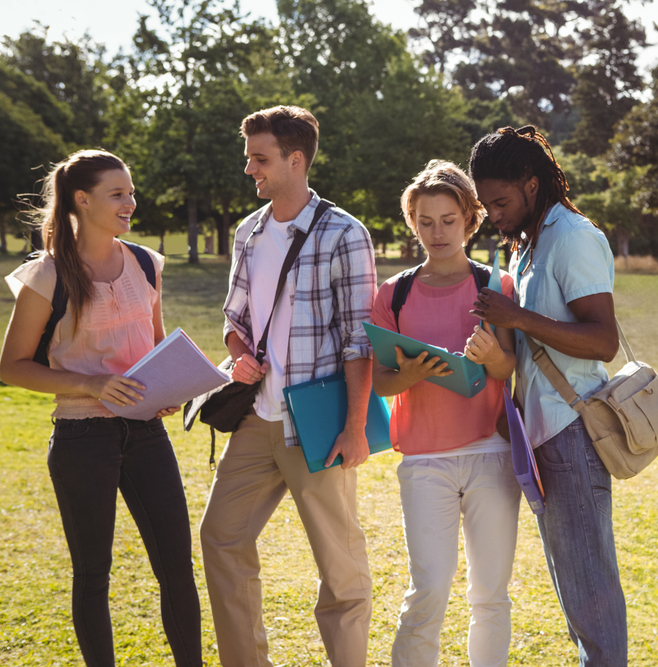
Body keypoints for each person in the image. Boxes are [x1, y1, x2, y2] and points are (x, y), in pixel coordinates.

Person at [0, 150, 202, 666]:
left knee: (177, 566)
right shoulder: (46, 275)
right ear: (82, 200)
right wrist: (92, 384)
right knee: (93, 573)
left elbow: (156, 347)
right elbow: (13, 365)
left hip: (146, 436)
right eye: (118, 194)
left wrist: (168, 386)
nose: (130, 203)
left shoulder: (145, 263)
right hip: (81, 439)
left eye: (131, 192)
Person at [198, 105, 377, 667]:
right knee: (220, 536)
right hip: (256, 417)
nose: (249, 168)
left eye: (260, 158)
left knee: (339, 566)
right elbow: (235, 316)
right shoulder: (247, 232)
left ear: (295, 160)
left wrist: (353, 427)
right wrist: (238, 353)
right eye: (249, 156)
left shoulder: (346, 234)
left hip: (317, 424)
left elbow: (359, 339)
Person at [468, 126, 628, 666]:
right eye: (486, 203)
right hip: (544, 438)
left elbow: (603, 339)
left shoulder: (572, 236)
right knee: (575, 592)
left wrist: (515, 316)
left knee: (590, 592)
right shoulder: (531, 243)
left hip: (574, 435)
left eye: (501, 200)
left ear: (532, 184)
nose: (493, 213)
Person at [370, 160, 521, 666]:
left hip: (490, 454)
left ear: (469, 221)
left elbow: (508, 368)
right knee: (429, 588)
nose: (437, 232)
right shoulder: (394, 294)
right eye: (426, 221)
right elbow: (379, 378)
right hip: (424, 460)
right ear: (412, 223)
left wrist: (489, 357)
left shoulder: (496, 287)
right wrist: (412, 375)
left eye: (448, 220)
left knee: (490, 595)